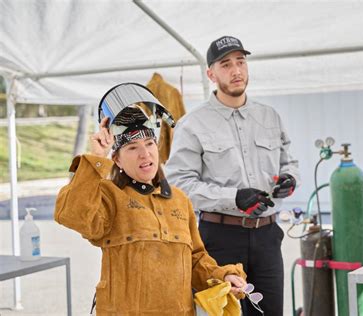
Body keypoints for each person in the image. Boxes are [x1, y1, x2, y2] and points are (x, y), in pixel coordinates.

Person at [54, 83, 246, 315]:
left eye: (149, 144)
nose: (145, 154)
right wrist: (96, 158)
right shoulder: (108, 195)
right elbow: (70, 215)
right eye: (132, 148)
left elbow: (195, 259)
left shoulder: (180, 200)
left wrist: (224, 275)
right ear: (117, 159)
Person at [165, 35, 300, 316]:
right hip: (219, 239)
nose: (236, 70)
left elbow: (289, 159)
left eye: (241, 62)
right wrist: (233, 198)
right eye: (226, 64)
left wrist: (290, 177)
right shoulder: (192, 124)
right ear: (211, 74)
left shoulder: (270, 116)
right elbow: (179, 184)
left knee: (271, 312)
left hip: (267, 236)